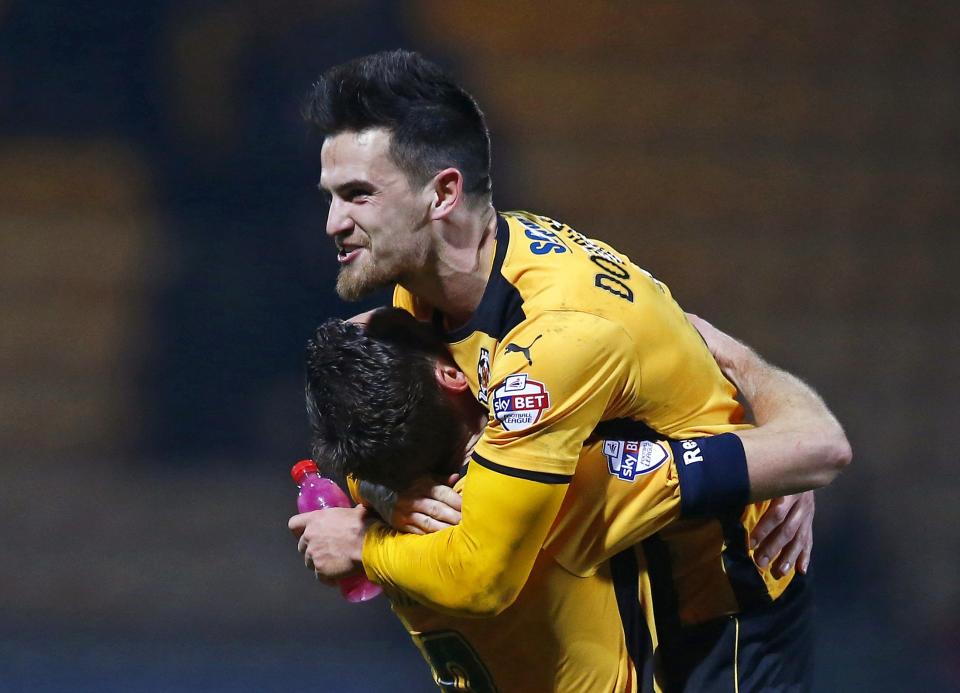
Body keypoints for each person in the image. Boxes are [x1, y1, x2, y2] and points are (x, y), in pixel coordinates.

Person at [290, 49, 851, 689]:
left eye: (358, 195)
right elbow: (389, 433)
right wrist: (391, 492)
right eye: (331, 197)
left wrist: (763, 433)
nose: (334, 223)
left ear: (443, 193)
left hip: (718, 608)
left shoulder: (554, 337)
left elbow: (484, 574)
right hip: (610, 579)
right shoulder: (423, 292)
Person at [295, 309, 848, 692]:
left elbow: (358, 456)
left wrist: (373, 518)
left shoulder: (370, 505)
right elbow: (818, 447)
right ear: (449, 374)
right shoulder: (569, 489)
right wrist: (739, 368)